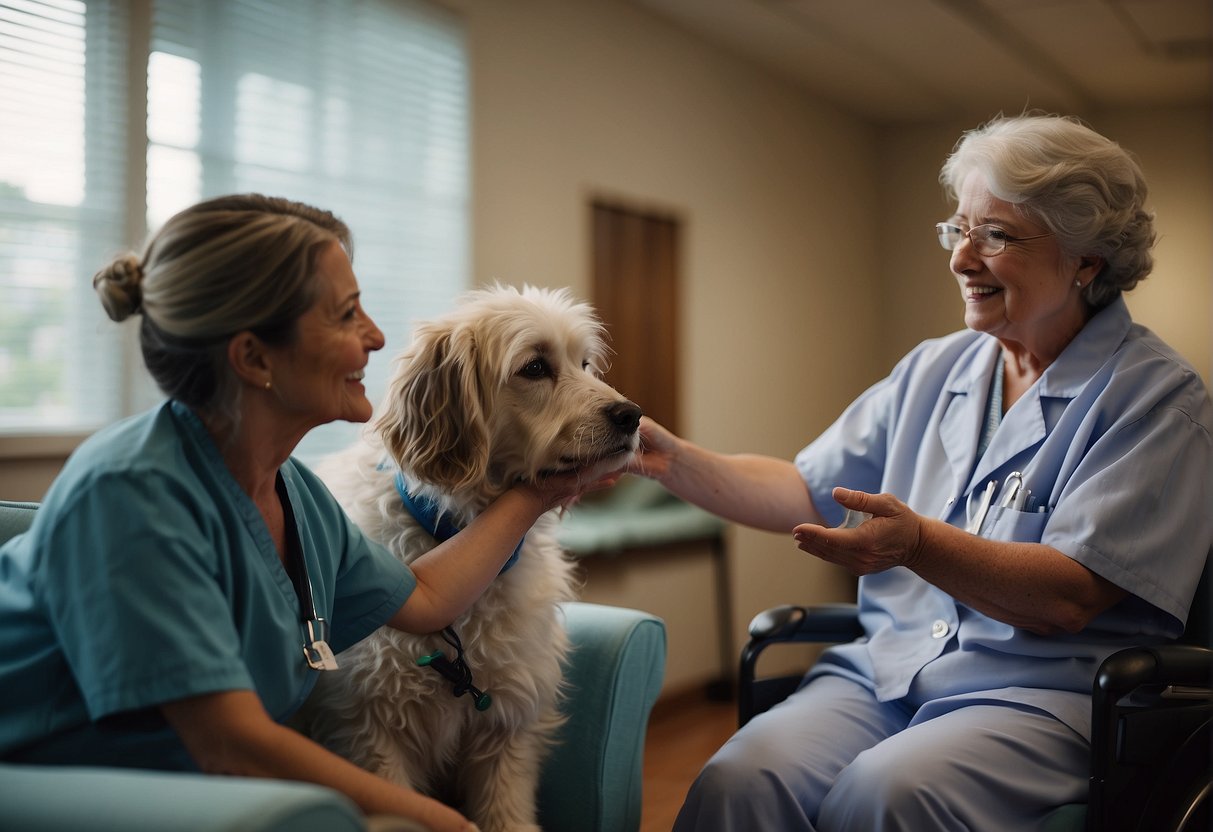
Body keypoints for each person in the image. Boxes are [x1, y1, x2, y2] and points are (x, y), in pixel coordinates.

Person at [630, 114, 1213, 830]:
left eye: (994, 235)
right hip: (886, 671)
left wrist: (918, 545)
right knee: (739, 781)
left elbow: (1066, 597)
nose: (960, 259)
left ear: (1084, 261)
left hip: (1037, 696)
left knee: (882, 796)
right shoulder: (934, 368)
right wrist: (668, 458)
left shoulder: (1154, 398)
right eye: (957, 229)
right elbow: (805, 489)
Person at [0, 194, 616, 832]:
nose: (376, 337)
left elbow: (428, 598)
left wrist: (538, 491)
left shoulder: (291, 488)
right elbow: (230, 745)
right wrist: (447, 823)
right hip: (52, 782)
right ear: (255, 358)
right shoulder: (128, 495)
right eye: (348, 314)